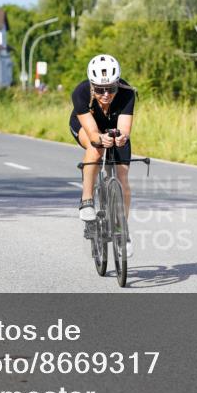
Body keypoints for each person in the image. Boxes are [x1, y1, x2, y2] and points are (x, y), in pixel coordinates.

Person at [69, 54, 136, 253]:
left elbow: (124, 128)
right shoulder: (80, 93)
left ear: (117, 84)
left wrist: (122, 138)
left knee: (122, 175)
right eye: (99, 89)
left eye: (111, 88)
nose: (106, 94)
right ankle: (87, 200)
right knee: (95, 149)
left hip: (114, 128)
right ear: (91, 86)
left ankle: (120, 229)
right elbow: (92, 134)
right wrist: (100, 139)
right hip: (87, 127)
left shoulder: (127, 93)